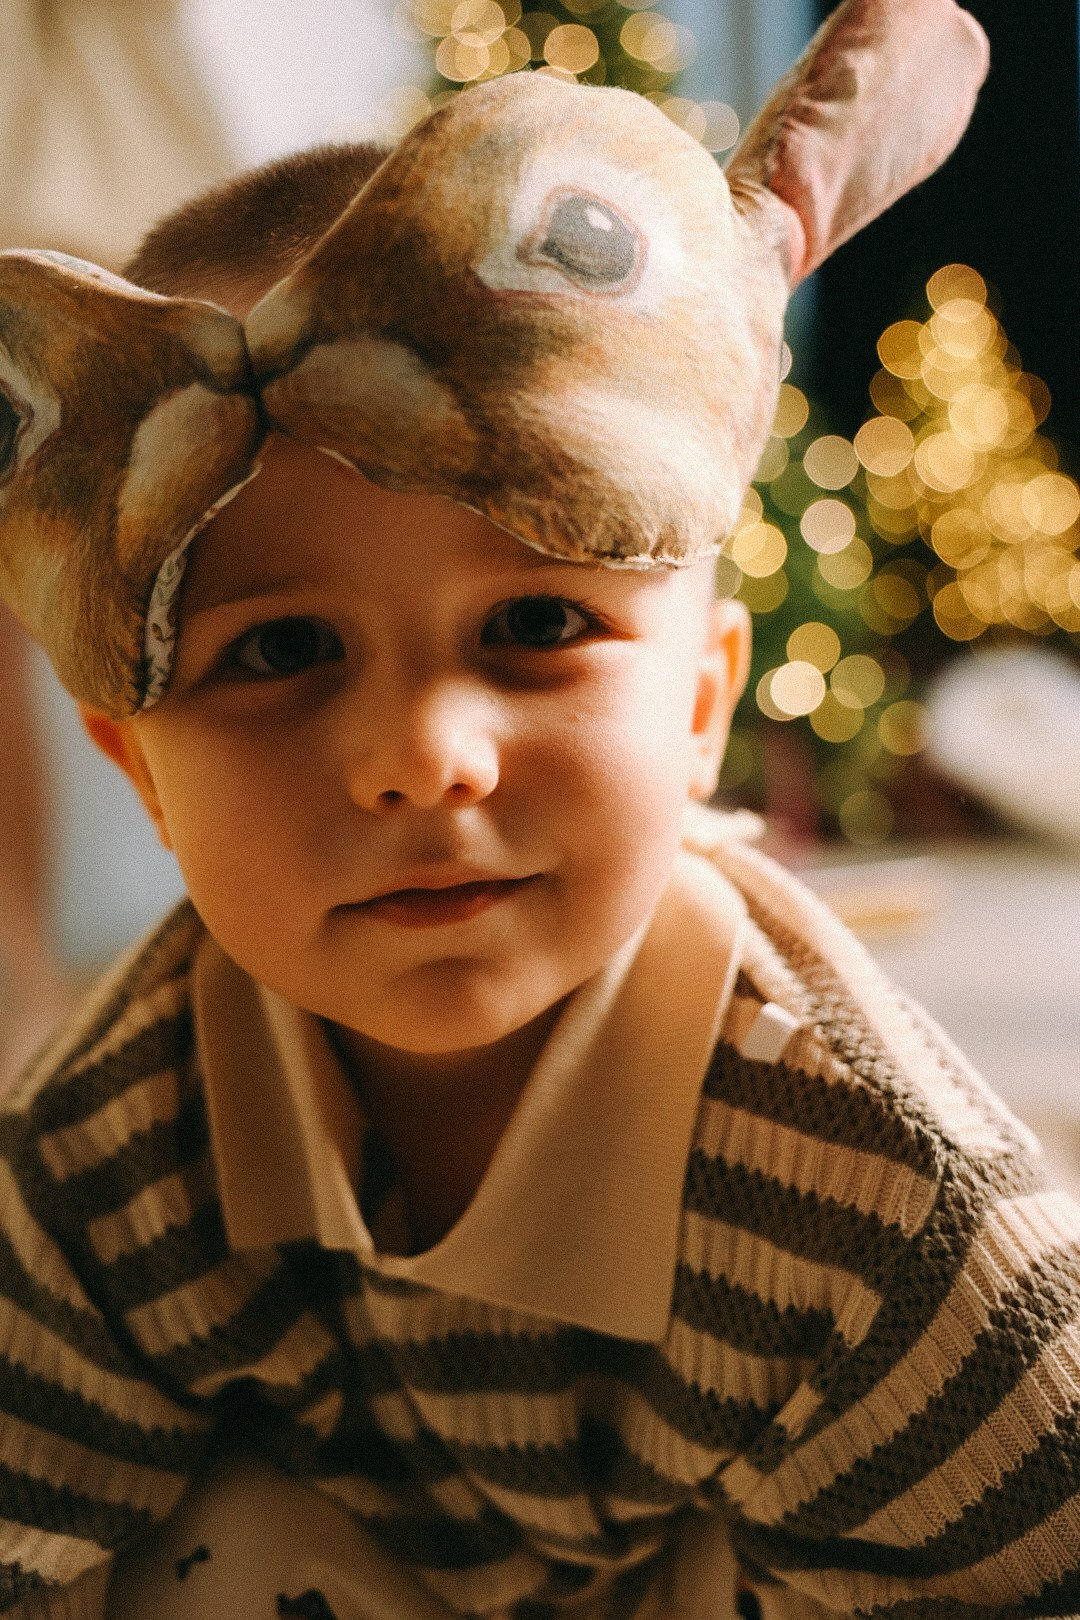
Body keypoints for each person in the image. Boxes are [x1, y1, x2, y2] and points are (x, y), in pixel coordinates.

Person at [2, 3, 1079, 1616]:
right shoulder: (105, 1154)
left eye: (534, 624)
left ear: (703, 706)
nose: (425, 756)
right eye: (282, 649)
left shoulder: (896, 1211)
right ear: (140, 769)